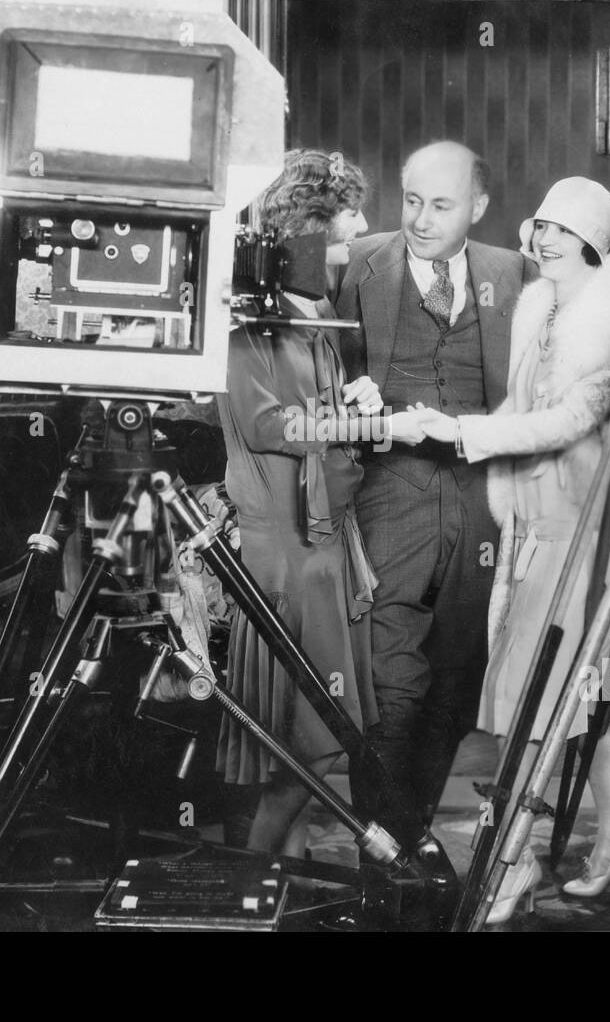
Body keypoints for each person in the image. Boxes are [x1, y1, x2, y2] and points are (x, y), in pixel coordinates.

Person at [414, 177, 610, 919]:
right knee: (583, 690)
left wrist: (461, 436)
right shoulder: (539, 303)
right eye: (539, 224)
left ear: (592, 242)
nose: (541, 238)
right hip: (538, 512)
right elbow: (524, 402)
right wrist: (454, 421)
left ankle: (515, 855)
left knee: (537, 692)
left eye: (561, 231)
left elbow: (568, 420)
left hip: (587, 522)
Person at [216, 148, 425, 856]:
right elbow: (266, 425)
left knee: (317, 740)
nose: (363, 223)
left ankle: (285, 885)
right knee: (308, 745)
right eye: (348, 213)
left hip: (325, 544)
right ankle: (254, 883)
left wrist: (352, 399)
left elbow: (313, 412)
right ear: (310, 224)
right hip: (289, 554)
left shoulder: (310, 308)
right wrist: (374, 424)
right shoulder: (251, 318)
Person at [335, 141, 536, 846]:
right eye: (412, 200)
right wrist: (344, 396)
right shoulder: (354, 264)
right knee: (390, 679)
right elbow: (308, 366)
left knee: (458, 671)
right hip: (390, 488)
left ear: (477, 207)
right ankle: (382, 844)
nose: (420, 219)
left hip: (483, 493)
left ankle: (410, 828)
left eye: (442, 205)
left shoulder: (515, 275)